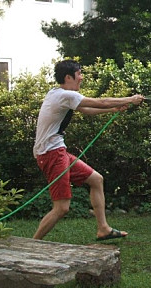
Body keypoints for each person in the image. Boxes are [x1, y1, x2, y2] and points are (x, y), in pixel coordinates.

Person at [33, 60, 144, 240]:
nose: (82, 77)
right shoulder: (64, 95)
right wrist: (130, 99)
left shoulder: (57, 94)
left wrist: (113, 109)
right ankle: (33, 243)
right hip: (51, 154)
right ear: (68, 77)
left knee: (96, 179)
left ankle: (103, 229)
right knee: (62, 207)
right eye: (79, 74)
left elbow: (87, 109)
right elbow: (101, 101)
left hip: (57, 151)